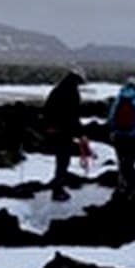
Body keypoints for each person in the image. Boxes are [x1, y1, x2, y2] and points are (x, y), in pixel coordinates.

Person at [42, 67, 90, 201]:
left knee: (60, 160)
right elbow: (72, 116)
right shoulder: (72, 92)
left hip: (53, 131)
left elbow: (47, 110)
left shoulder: (57, 89)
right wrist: (81, 134)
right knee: (63, 161)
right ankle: (58, 190)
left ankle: (58, 187)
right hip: (64, 132)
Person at [107, 76, 135, 191]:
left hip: (119, 136)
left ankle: (121, 185)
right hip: (133, 137)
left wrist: (112, 131)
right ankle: (128, 189)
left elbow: (111, 118)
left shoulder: (118, 99)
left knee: (121, 162)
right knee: (130, 163)